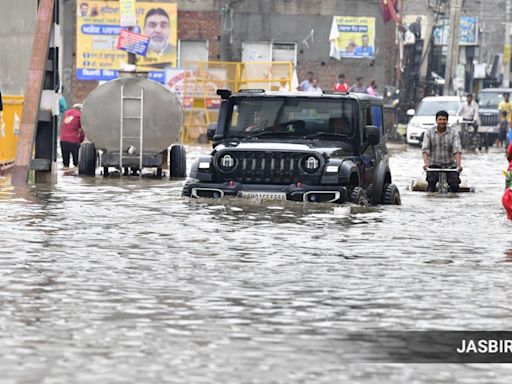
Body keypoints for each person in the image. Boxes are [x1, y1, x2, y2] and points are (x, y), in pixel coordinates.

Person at [422, 110, 463, 192]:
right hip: (433, 165)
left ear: (447, 121)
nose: (442, 122)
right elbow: (425, 150)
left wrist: (458, 166)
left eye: (444, 120)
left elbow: (457, 150)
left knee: (454, 185)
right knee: (431, 182)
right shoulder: (429, 132)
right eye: (440, 119)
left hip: (450, 166)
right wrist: (426, 164)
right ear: (436, 120)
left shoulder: (454, 132)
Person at [60, 104, 85, 169]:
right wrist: (80, 140)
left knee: (65, 164)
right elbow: (82, 131)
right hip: (73, 140)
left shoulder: (67, 113)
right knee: (77, 164)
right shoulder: (80, 115)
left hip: (63, 140)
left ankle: (65, 175)